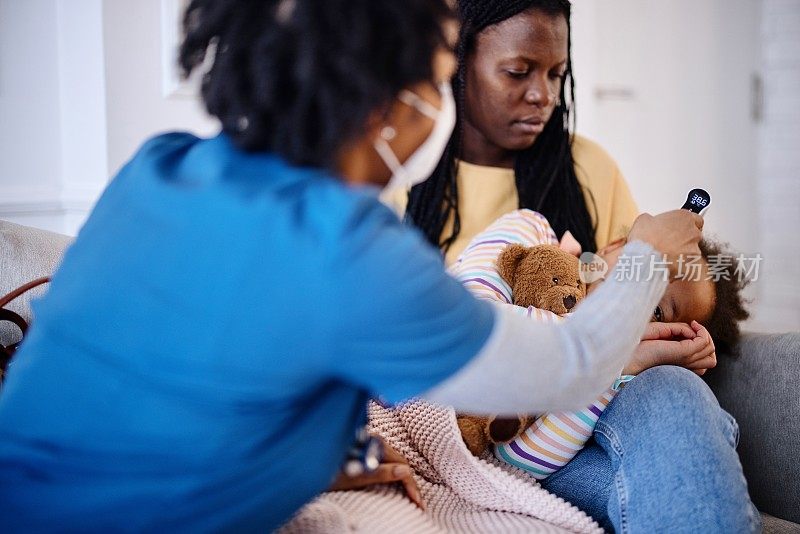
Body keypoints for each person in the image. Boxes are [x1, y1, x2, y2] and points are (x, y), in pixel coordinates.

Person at [0, 0, 714, 532]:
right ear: (384, 103)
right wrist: (648, 255)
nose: (438, 110)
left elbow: (181, 380)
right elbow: (566, 366)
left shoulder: (160, 169)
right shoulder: (352, 250)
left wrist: (324, 456)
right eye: (436, 85)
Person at [392, 1, 760, 530]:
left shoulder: (589, 167)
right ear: (459, 61)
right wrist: (607, 346)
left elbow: (655, 287)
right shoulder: (401, 167)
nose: (542, 95)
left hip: (562, 444)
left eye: (556, 74)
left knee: (675, 393)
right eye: (519, 72)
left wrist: (668, 351)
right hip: (449, 425)